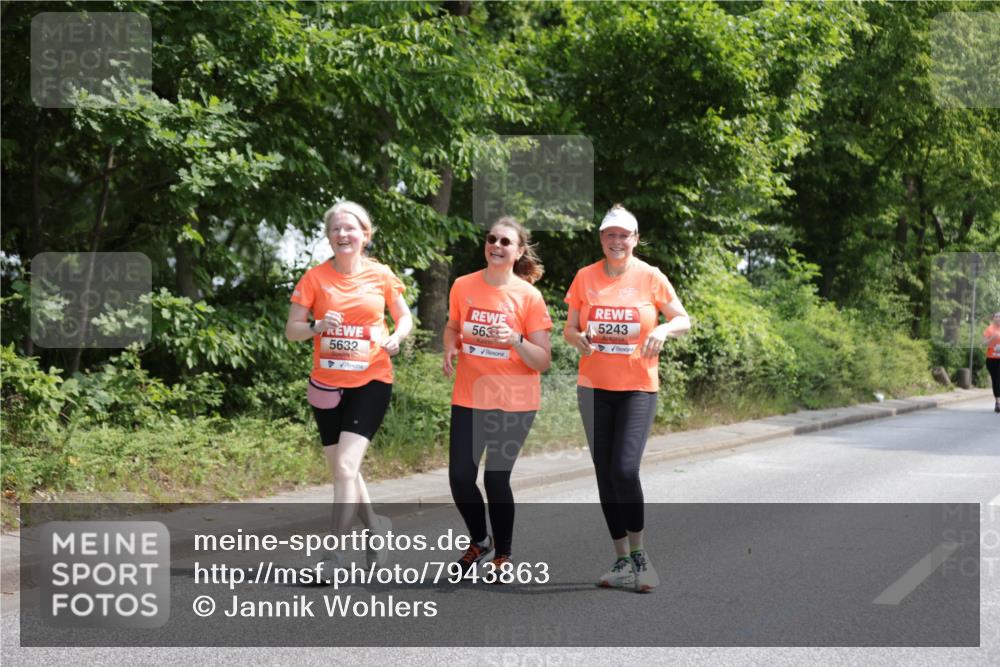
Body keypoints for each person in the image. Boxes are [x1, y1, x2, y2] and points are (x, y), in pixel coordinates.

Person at [563, 204, 691, 593]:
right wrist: (577, 338)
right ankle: (620, 560)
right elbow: (569, 328)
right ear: (601, 239)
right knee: (604, 476)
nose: (616, 241)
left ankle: (639, 555)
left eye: (624, 235)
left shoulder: (650, 277)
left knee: (623, 470)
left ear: (635, 239)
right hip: (594, 388)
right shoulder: (585, 277)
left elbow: (683, 319)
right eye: (609, 235)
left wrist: (664, 331)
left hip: (637, 387)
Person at [285, 200, 412, 573]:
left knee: (344, 465)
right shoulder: (314, 279)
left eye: (350, 228)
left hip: (371, 379)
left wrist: (398, 337)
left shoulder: (381, 275)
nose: (343, 234)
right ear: (328, 237)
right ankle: (376, 529)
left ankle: (332, 556)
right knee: (346, 471)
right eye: (336, 229)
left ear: (365, 235)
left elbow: (403, 317)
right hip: (326, 384)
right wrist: (316, 327)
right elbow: (292, 330)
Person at [442, 216, 552, 578]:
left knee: (495, 479)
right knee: (459, 477)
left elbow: (544, 360)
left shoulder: (528, 296)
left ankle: (503, 554)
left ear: (518, 251)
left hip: (515, 400)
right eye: (492, 239)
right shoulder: (463, 286)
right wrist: (449, 349)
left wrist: (516, 341)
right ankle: (479, 539)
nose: (497, 245)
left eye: (506, 241)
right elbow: (454, 326)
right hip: (470, 396)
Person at [983, 311, 1000, 413]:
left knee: (999, 378)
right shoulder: (989, 329)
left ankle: (998, 403)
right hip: (991, 359)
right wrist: (991, 339)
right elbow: (983, 343)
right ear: (993, 318)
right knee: (995, 380)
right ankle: (997, 401)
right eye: (996, 316)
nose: (998, 318)